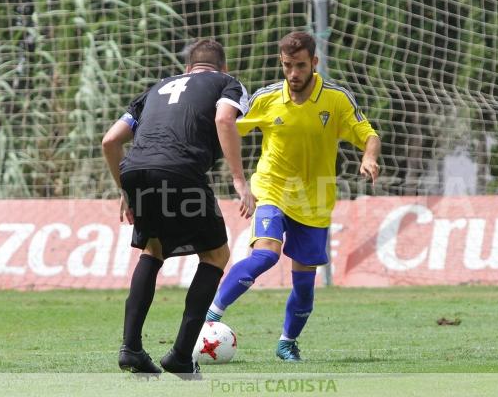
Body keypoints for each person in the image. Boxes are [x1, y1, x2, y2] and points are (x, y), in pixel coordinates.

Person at [205, 31, 381, 361]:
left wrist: (369, 157)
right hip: (271, 190)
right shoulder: (267, 98)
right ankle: (209, 319)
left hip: (314, 202)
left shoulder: (337, 100)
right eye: (287, 66)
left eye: (300, 66)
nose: (294, 74)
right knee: (266, 255)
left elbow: (368, 135)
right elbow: (227, 126)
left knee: (304, 287)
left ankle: (286, 342)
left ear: (314, 63)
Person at [102, 39, 255, 377]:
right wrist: (240, 180)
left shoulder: (156, 88)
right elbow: (225, 120)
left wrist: (125, 191)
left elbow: (110, 140)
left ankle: (131, 349)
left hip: (135, 171)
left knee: (152, 250)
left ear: (187, 69)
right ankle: (182, 355)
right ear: (222, 67)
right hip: (180, 170)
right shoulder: (226, 83)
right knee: (215, 256)